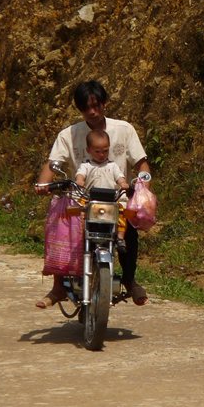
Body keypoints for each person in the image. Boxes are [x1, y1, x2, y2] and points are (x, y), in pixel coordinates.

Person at [35, 79, 150, 308]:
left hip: (116, 200)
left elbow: (141, 162)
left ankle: (129, 279)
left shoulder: (124, 129)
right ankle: (58, 286)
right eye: (86, 108)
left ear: (105, 103)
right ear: (79, 110)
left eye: (96, 105)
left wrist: (143, 181)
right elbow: (53, 163)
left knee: (129, 233)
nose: (92, 112)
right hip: (81, 201)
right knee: (60, 225)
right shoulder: (68, 134)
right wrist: (43, 185)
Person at [75, 129, 129, 254]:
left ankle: (120, 237)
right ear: (88, 150)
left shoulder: (112, 166)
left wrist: (123, 183)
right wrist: (80, 180)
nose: (101, 154)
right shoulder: (86, 165)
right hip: (90, 198)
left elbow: (119, 177)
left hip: (110, 199)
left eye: (105, 151)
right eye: (97, 151)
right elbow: (80, 175)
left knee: (122, 211)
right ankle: (80, 235)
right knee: (79, 210)